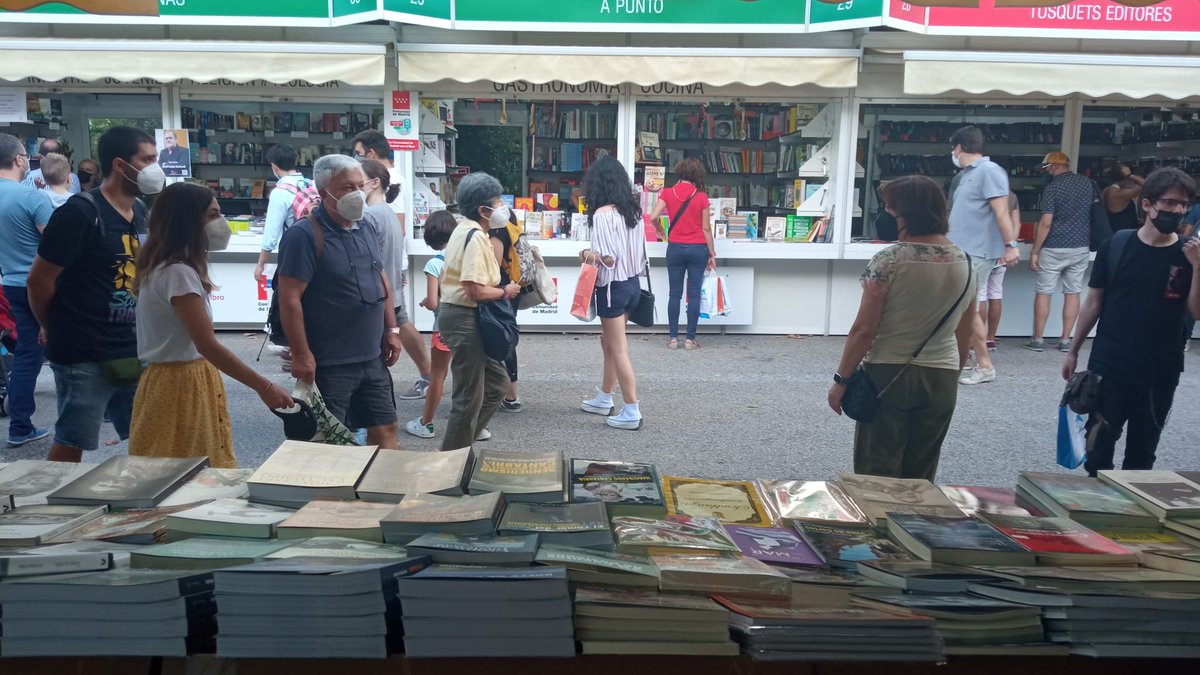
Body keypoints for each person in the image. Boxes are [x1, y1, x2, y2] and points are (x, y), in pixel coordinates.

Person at [129, 183, 292, 468]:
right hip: (180, 384)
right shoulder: (178, 273)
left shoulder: (166, 266)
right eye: (213, 215)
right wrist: (263, 386)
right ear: (188, 221)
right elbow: (207, 344)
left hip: (173, 381)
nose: (221, 223)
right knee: (187, 469)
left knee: (173, 464)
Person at [828, 176, 977, 481]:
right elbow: (966, 329)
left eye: (889, 208)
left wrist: (841, 379)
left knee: (877, 472)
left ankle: (879, 525)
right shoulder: (966, 261)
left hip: (888, 372)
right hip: (943, 375)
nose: (884, 214)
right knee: (921, 474)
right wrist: (953, 374)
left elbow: (864, 330)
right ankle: (912, 525)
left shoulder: (890, 260)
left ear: (908, 213)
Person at [27, 126, 162, 462]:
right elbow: (39, 281)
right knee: (73, 441)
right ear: (120, 164)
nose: (154, 168)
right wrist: (52, 325)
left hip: (131, 347)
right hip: (83, 353)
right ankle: (57, 512)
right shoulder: (80, 213)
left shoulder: (140, 213)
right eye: (147, 160)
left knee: (148, 437)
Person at [1064, 167, 1200, 477]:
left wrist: (1198, 268)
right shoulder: (1117, 245)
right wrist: (1073, 350)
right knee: (1098, 447)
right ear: (1147, 204)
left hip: (1160, 370)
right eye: (1170, 203)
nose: (1177, 210)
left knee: (1142, 454)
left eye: (1184, 204)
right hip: (1110, 363)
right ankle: (1096, 512)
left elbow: (1197, 311)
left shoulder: (1188, 254)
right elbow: (1094, 302)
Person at [276, 154, 403, 450]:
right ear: (324, 193)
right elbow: (289, 298)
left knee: (386, 427)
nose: (357, 193)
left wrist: (392, 330)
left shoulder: (366, 226)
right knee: (328, 439)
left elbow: (380, 278)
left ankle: (385, 491)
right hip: (329, 363)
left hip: (371, 357)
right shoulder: (304, 235)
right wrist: (302, 354)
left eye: (360, 185)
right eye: (347, 187)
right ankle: (330, 495)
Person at [437, 173, 521, 450]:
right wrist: (504, 292)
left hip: (465, 315)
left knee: (497, 384)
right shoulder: (472, 235)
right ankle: (451, 462)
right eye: (497, 203)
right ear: (483, 210)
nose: (502, 208)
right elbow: (474, 289)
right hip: (464, 316)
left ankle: (461, 445)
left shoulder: (470, 231)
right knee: (467, 398)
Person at [353, 130, 431, 401]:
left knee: (388, 333)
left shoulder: (374, 212)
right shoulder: (383, 206)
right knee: (398, 324)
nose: (355, 188)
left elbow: (375, 247)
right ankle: (427, 377)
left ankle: (419, 379)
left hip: (381, 282)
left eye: (358, 183)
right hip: (389, 275)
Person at [946, 125, 1018, 386]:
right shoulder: (968, 174)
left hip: (977, 251)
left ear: (958, 148)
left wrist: (1010, 245)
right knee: (963, 308)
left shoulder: (989, 171)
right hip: (964, 251)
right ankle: (964, 360)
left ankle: (984, 365)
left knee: (968, 309)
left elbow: (1001, 212)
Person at [578, 156, 646, 431]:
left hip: (611, 286)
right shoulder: (634, 212)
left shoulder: (602, 215)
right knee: (609, 344)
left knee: (617, 349)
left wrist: (585, 254)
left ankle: (631, 409)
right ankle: (604, 397)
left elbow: (608, 259)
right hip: (632, 284)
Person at [0, 133, 55, 447]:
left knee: (27, 354)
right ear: (20, 159)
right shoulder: (31, 197)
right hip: (43, 285)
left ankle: (20, 424)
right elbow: (55, 245)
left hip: (10, 283)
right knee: (62, 349)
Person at [1025, 151, 1094, 354]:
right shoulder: (1087, 184)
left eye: (1046, 168)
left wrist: (1035, 251)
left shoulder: (1052, 188)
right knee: (1073, 292)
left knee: (1044, 292)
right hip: (1080, 246)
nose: (1045, 172)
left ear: (1054, 166)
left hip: (1054, 246)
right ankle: (1065, 339)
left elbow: (1046, 222)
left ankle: (1038, 339)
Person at [647, 158, 716, 350]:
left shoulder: (668, 193)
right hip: (698, 249)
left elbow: (653, 216)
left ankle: (673, 338)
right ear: (697, 176)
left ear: (679, 173)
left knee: (674, 294)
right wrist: (712, 253)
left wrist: (660, 230)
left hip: (675, 248)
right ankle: (690, 339)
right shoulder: (701, 197)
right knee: (693, 295)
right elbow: (706, 228)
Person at [405, 211, 458, 439]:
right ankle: (477, 425)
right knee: (469, 375)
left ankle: (426, 423)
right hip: (470, 325)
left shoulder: (435, 264)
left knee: (438, 374)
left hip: (445, 325)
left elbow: (434, 301)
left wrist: (426, 302)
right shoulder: (465, 258)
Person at [253, 144, 307, 283]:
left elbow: (272, 233)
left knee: (286, 297)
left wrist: (260, 264)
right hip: (317, 251)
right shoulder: (310, 185)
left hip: (294, 254)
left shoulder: (280, 192)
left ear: (274, 167)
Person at [488, 210, 523, 412]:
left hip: (501, 291)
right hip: (512, 285)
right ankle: (510, 395)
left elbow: (493, 268)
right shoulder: (510, 215)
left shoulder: (496, 224)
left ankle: (508, 395)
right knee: (507, 338)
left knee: (500, 339)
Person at [981, 191, 1021, 351]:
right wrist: (1009, 245)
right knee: (996, 294)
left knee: (980, 296)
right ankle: (990, 338)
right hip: (1002, 253)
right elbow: (1016, 223)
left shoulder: (980, 194)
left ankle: (976, 339)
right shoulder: (1011, 196)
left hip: (982, 252)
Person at [1102, 164, 1144, 233]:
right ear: (1126, 179)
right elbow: (1147, 185)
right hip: (1123, 235)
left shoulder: (1108, 190)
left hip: (1117, 232)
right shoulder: (1117, 193)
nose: (1133, 184)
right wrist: (1130, 175)